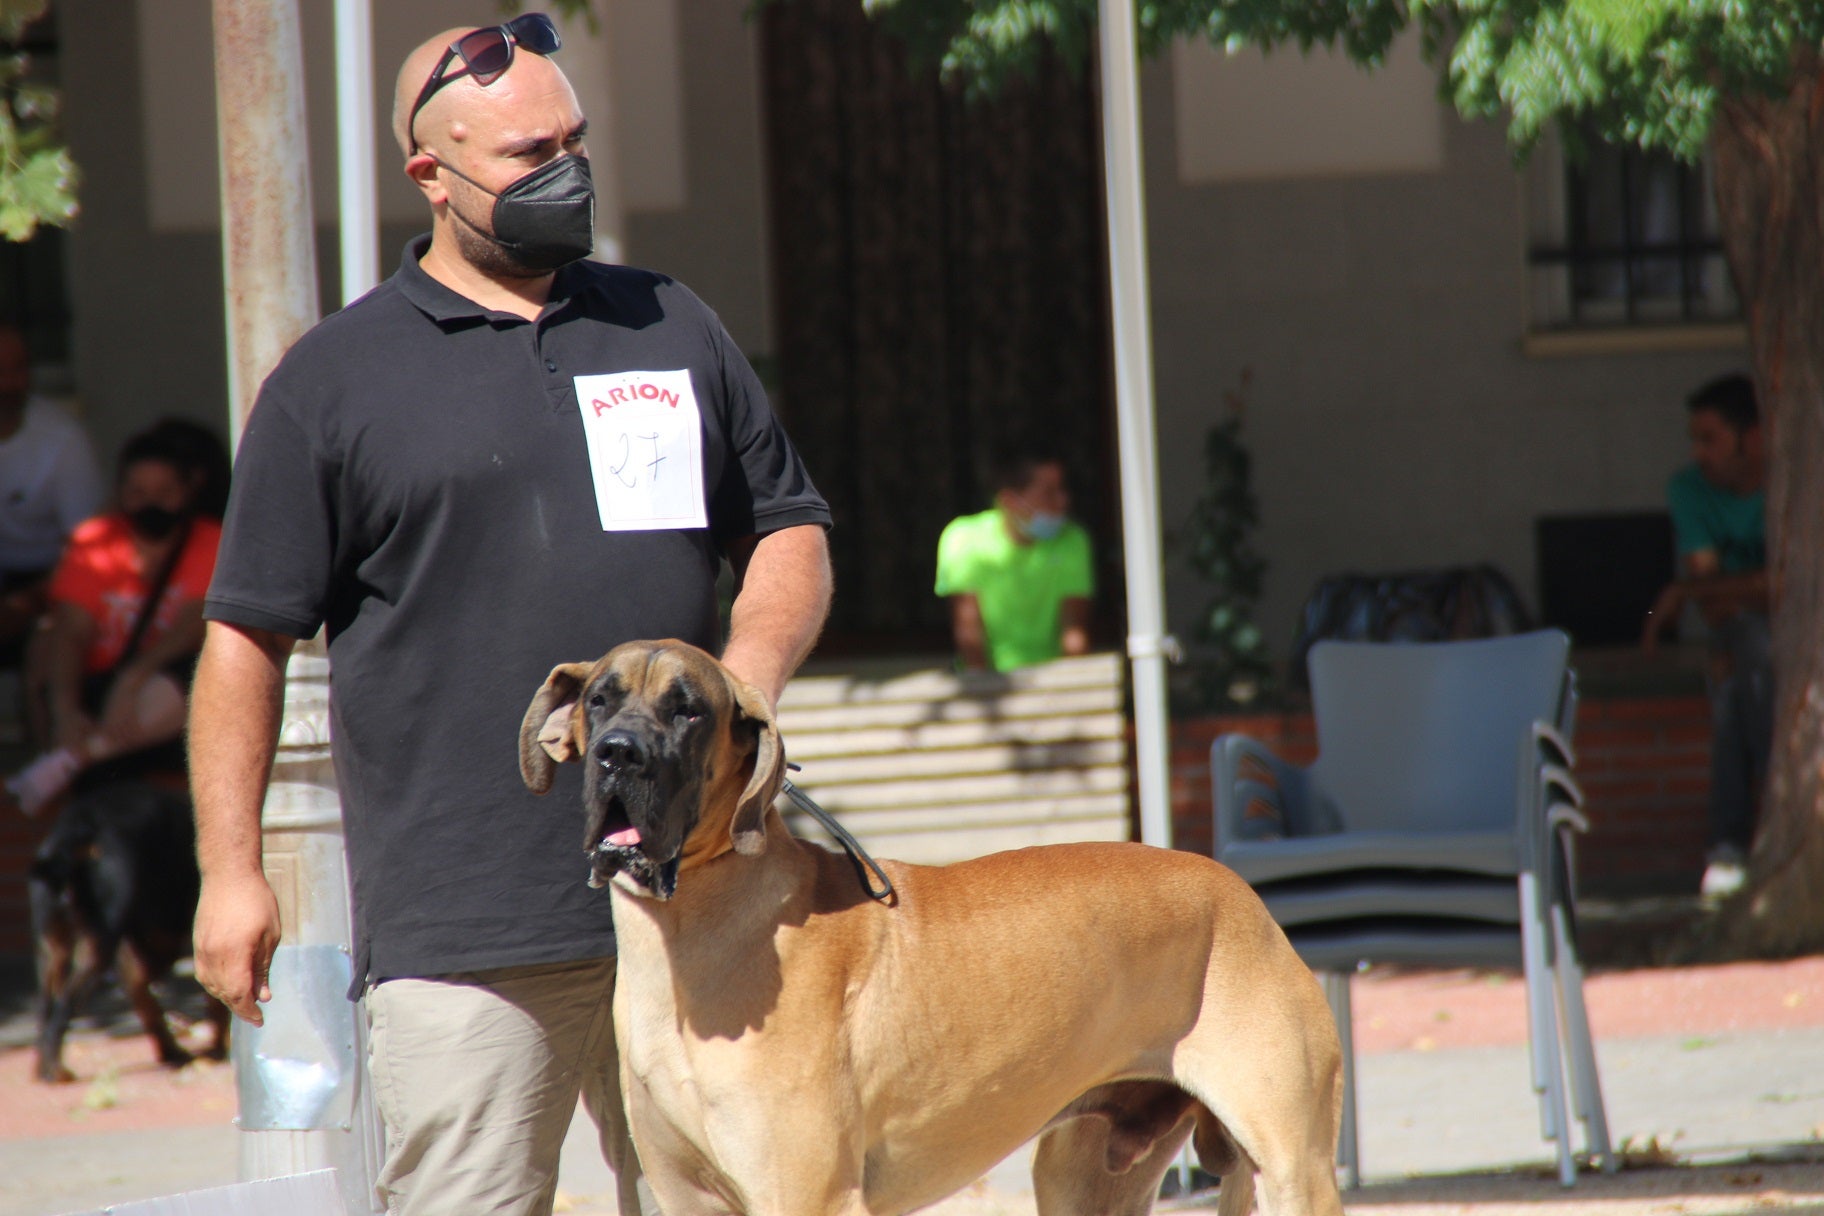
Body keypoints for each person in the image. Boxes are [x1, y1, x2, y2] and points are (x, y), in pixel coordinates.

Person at [188, 15, 832, 1216]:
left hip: (696, 902)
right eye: (531, 154)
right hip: (467, 923)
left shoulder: (667, 320)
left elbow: (788, 528)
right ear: (431, 173)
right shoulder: (334, 380)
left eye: (574, 141)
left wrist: (742, 695)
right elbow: (245, 639)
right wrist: (231, 871)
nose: (567, 171)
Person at [6, 419, 223, 815]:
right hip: (100, 699)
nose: (151, 504)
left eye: (165, 492)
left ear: (187, 493)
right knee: (43, 646)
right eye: (138, 492)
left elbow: (192, 626)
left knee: (197, 673)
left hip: (164, 706)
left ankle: (76, 758)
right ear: (120, 492)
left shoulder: (211, 542)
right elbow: (71, 632)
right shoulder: (95, 541)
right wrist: (66, 711)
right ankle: (71, 757)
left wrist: (135, 677)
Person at [1642, 373, 1769, 901]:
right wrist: (1755, 588)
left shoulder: (1798, 477)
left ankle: (1728, 846)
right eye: (1694, 440)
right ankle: (1756, 827)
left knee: (1736, 681)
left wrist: (1686, 590)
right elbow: (1714, 603)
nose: (1698, 453)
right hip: (1740, 635)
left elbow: (1801, 586)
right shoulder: (1688, 489)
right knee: (1749, 651)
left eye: (1710, 439)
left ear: (1754, 438)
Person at [0, 324, 104, 660]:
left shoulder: (63, 439)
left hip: (47, 580)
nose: (9, 383)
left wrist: (29, 601)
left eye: (19, 369)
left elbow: (88, 549)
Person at [935, 452, 1093, 672]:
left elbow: (1074, 632)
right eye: (1049, 493)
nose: (1062, 500)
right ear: (1009, 500)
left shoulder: (1073, 539)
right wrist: (987, 687)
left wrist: (1072, 681)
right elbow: (969, 639)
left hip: (1053, 678)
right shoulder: (963, 539)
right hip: (987, 681)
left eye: (1062, 489)